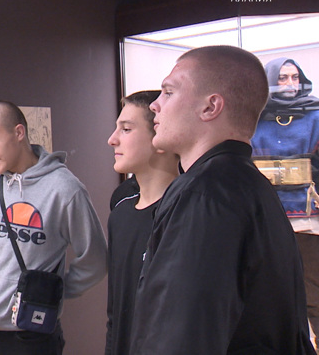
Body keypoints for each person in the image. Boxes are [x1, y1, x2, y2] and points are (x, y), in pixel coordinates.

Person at [129, 45, 314, 354]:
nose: (155, 105)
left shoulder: (204, 194)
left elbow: (181, 336)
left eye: (169, 92)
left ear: (210, 107)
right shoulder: (253, 187)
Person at [0, 100, 107, 354]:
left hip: (30, 335)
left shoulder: (64, 189)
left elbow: (95, 259)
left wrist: (54, 292)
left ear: (19, 133)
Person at [251, 57, 319, 350]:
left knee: (313, 289)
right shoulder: (253, 117)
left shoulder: (316, 115)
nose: (290, 84)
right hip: (265, 216)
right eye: (282, 78)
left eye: (294, 77)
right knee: (271, 290)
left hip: (307, 216)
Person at [105, 90, 178, 355]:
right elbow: (115, 315)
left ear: (160, 136)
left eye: (126, 129)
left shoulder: (186, 215)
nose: (112, 140)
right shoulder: (121, 215)